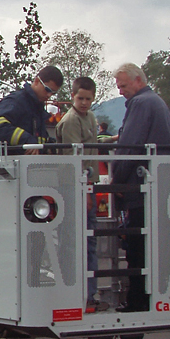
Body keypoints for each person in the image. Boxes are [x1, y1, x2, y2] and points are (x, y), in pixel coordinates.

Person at [110, 62, 170, 312]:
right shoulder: (156, 102)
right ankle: (151, 298)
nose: (120, 91)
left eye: (123, 85)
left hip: (141, 190)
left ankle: (137, 302)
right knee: (152, 249)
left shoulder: (140, 104)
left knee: (137, 250)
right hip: (158, 186)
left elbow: (131, 145)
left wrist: (117, 180)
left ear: (138, 81)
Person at [56, 76, 100, 311]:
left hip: (88, 184)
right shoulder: (72, 120)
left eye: (88, 99)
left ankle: (88, 292)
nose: (84, 102)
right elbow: (75, 160)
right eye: (80, 98)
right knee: (74, 241)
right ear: (72, 96)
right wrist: (85, 192)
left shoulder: (91, 117)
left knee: (88, 241)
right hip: (75, 187)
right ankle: (76, 291)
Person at [0, 66, 64, 154]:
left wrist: (49, 145)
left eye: (53, 93)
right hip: (10, 164)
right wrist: (26, 140)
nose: (49, 95)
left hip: (29, 164)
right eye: (47, 90)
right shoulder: (16, 101)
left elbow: (38, 140)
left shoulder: (37, 107)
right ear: (36, 81)